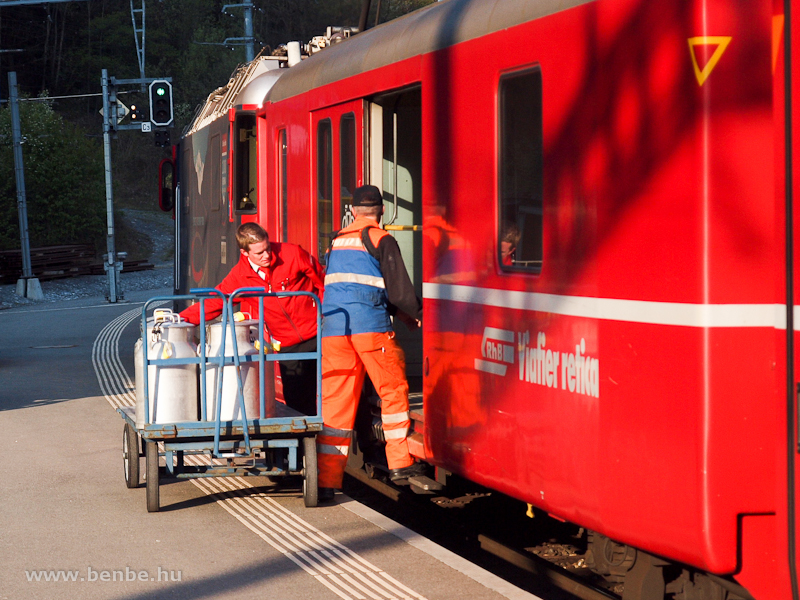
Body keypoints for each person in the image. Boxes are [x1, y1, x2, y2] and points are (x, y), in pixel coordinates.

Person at [316, 185, 424, 502]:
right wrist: (417, 313)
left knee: (335, 408)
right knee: (392, 391)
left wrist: (398, 313)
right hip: (370, 330)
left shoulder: (337, 240)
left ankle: (326, 481)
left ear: (353, 211)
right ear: (380, 210)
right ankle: (400, 463)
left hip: (334, 330)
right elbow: (399, 290)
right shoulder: (380, 239)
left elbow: (354, 285)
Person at [180, 222, 325, 416]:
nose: (267, 256)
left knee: (335, 394)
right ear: (244, 253)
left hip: (321, 334)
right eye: (259, 253)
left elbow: (323, 282)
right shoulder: (240, 277)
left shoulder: (292, 254)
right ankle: (307, 446)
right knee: (298, 407)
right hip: (288, 345)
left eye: (268, 249)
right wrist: (180, 321)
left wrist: (329, 316)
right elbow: (216, 302)